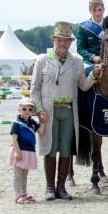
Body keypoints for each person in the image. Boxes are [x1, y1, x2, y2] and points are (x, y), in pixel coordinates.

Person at [31, 21, 101, 201]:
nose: (62, 43)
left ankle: (61, 187)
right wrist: (38, 110)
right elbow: (34, 89)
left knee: (65, 149)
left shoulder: (77, 61)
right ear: (54, 40)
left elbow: (84, 86)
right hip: (49, 111)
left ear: (70, 42)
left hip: (69, 110)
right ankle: (49, 188)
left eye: (66, 40)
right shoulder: (42, 60)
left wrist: (94, 75)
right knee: (50, 148)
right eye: (59, 39)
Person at [8, 98, 46, 204]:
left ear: (33, 112)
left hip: (29, 151)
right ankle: (18, 195)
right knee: (17, 175)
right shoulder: (16, 123)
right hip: (19, 151)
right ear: (19, 110)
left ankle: (23, 193)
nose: (27, 111)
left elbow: (41, 131)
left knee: (24, 175)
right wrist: (17, 152)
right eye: (24, 109)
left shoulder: (33, 122)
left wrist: (43, 122)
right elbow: (14, 139)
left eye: (30, 109)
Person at [77, 0, 106, 65]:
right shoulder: (83, 28)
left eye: (99, 10)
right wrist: (92, 57)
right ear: (90, 11)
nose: (97, 13)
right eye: (94, 10)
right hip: (89, 62)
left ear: (103, 10)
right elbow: (80, 49)